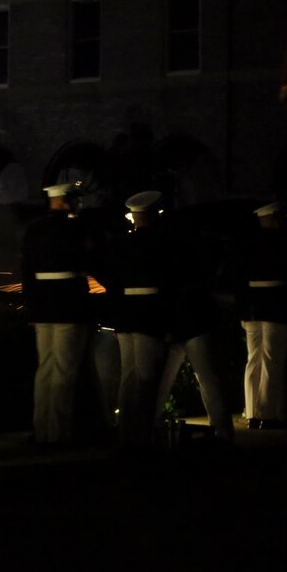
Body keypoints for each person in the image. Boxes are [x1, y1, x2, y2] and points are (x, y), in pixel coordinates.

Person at [21, 182, 98, 445]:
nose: (78, 204)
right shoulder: (77, 228)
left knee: (45, 369)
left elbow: (26, 270)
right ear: (65, 200)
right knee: (65, 370)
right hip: (69, 306)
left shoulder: (34, 229)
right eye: (75, 199)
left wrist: (31, 307)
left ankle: (41, 428)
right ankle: (58, 433)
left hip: (42, 307)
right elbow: (91, 261)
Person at [155, 206, 235, 441]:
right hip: (196, 323)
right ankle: (223, 432)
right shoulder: (200, 249)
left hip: (177, 323)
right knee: (210, 380)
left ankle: (150, 432)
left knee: (160, 383)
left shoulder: (167, 251)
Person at [108, 190, 175, 448]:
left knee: (128, 378)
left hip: (126, 316)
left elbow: (112, 283)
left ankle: (126, 432)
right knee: (147, 380)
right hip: (150, 316)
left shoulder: (120, 244)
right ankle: (143, 434)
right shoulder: (163, 243)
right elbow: (168, 284)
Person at [236, 201, 287, 430]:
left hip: (253, 308)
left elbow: (239, 279)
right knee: (272, 360)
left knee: (253, 359)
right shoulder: (285, 242)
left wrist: (243, 311)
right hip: (276, 307)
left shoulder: (247, 244)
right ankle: (267, 414)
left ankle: (253, 412)